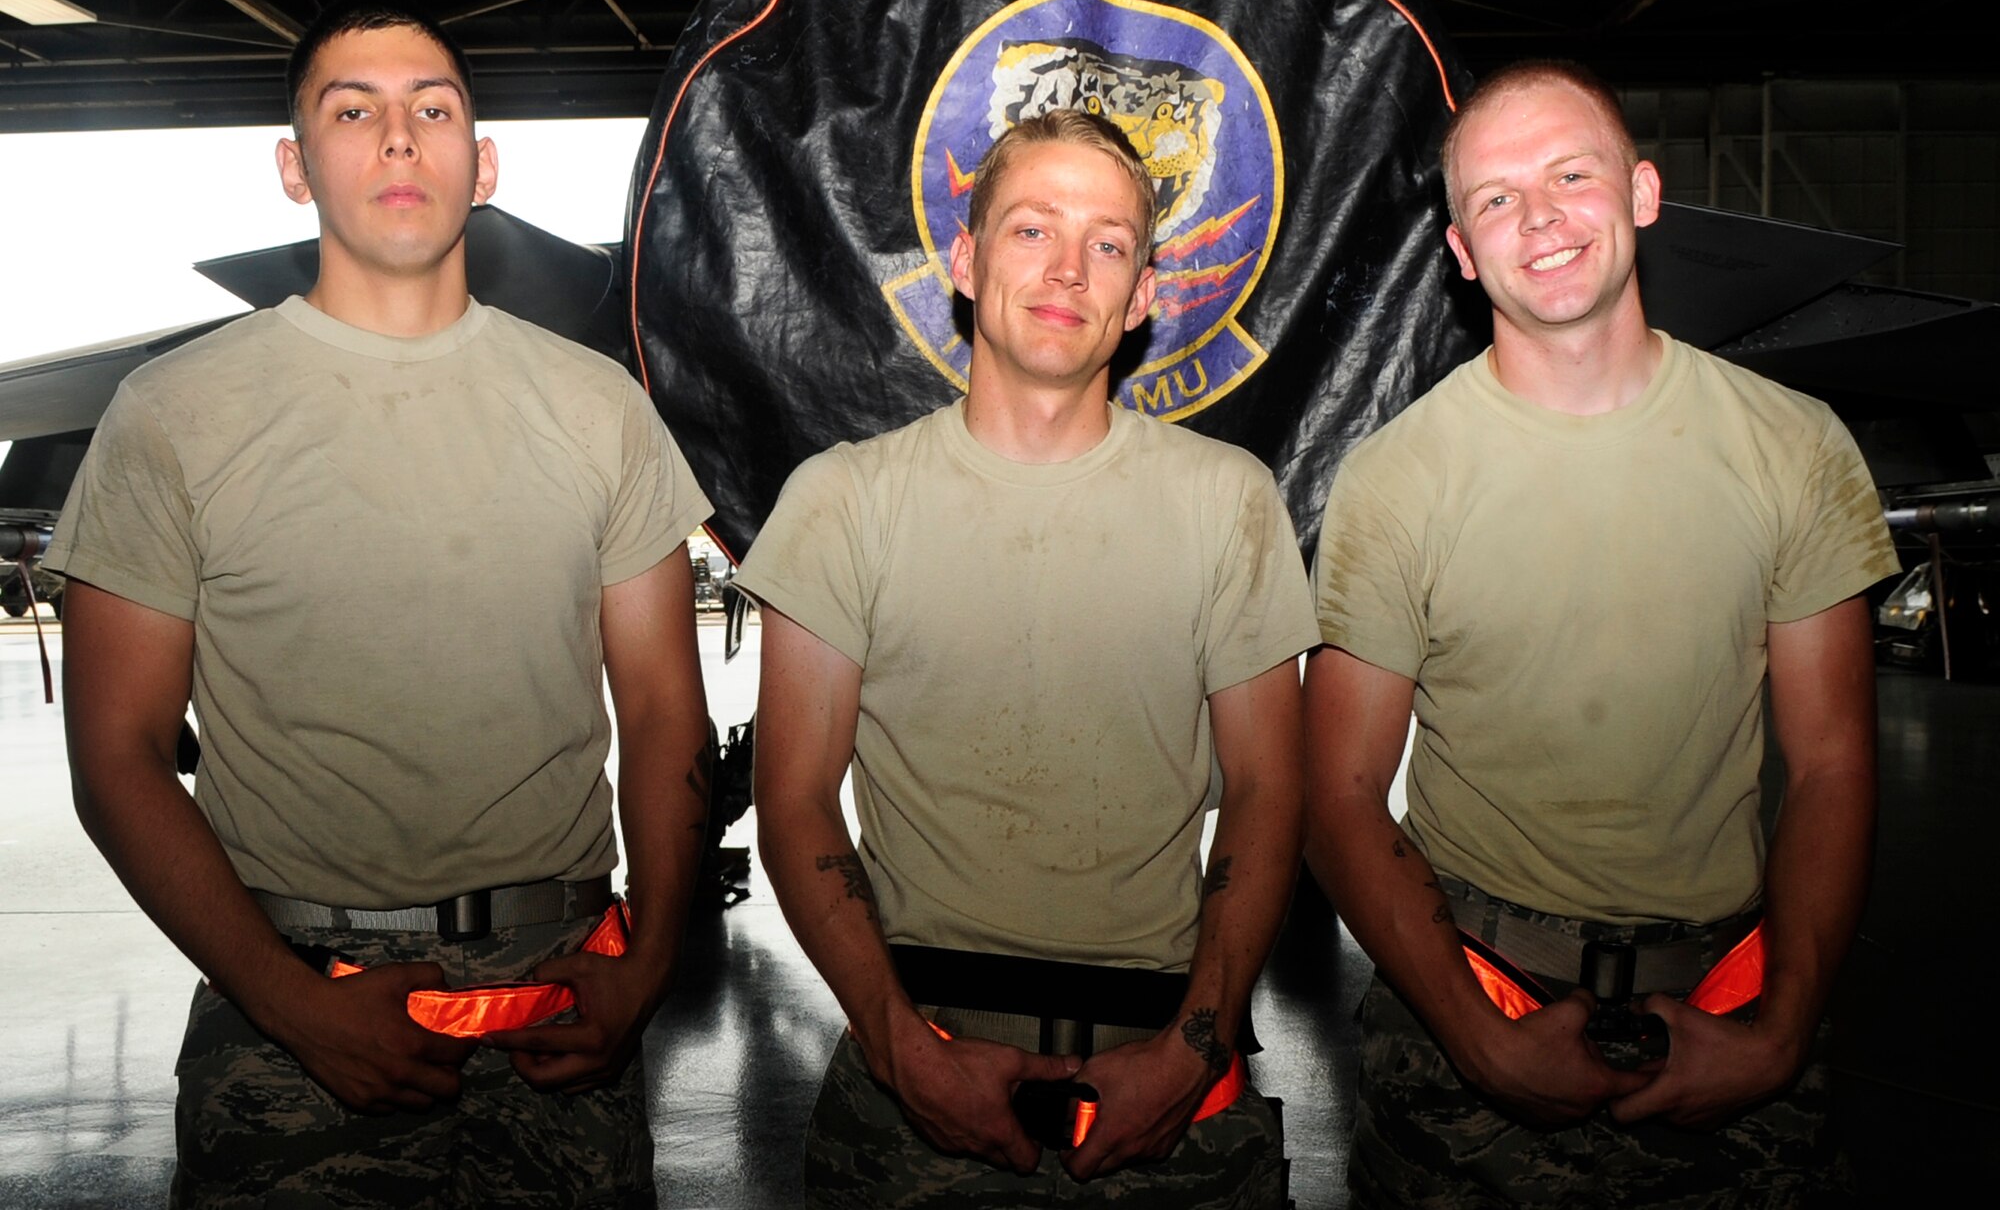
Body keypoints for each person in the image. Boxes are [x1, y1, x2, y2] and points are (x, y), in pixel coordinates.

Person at [47, 0, 713, 1207]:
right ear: (295, 167)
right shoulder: (173, 413)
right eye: (353, 112)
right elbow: (117, 754)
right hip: (294, 1007)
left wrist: (652, 959)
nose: (398, 136)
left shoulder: (599, 409)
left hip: (561, 1007)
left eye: (432, 109)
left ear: (483, 163)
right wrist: (294, 1006)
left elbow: (667, 709)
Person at [1303, 59, 1900, 1206]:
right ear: (1461, 250)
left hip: (1725, 1003)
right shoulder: (1392, 480)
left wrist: (1780, 1029)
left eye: (1569, 175)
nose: (1538, 215)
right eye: (1495, 196)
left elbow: (1831, 765)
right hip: (1472, 1004)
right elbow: (1337, 792)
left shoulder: (1794, 445)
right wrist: (1476, 1038)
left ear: (1640, 192)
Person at [734, 109, 1319, 1208]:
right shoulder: (844, 500)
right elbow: (795, 802)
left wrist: (1192, 1049)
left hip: (1170, 1079)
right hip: (914, 1087)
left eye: (1108, 243)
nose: (1068, 269)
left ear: (1142, 295)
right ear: (965, 263)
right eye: (1032, 229)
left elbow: (1268, 790)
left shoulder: (1227, 499)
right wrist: (903, 1050)